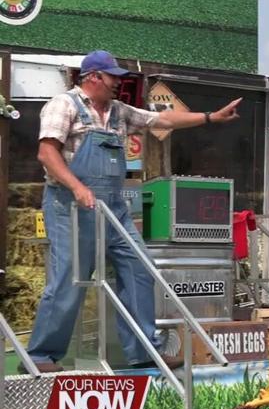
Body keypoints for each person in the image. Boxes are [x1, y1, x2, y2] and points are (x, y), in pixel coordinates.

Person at [25, 50, 241, 373]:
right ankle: (41, 356)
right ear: (94, 77)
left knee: (141, 268)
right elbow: (46, 154)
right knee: (69, 279)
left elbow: (163, 120)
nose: (118, 83)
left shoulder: (119, 113)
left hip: (112, 208)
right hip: (70, 206)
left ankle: (143, 351)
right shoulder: (64, 105)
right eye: (112, 76)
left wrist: (210, 117)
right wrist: (77, 186)